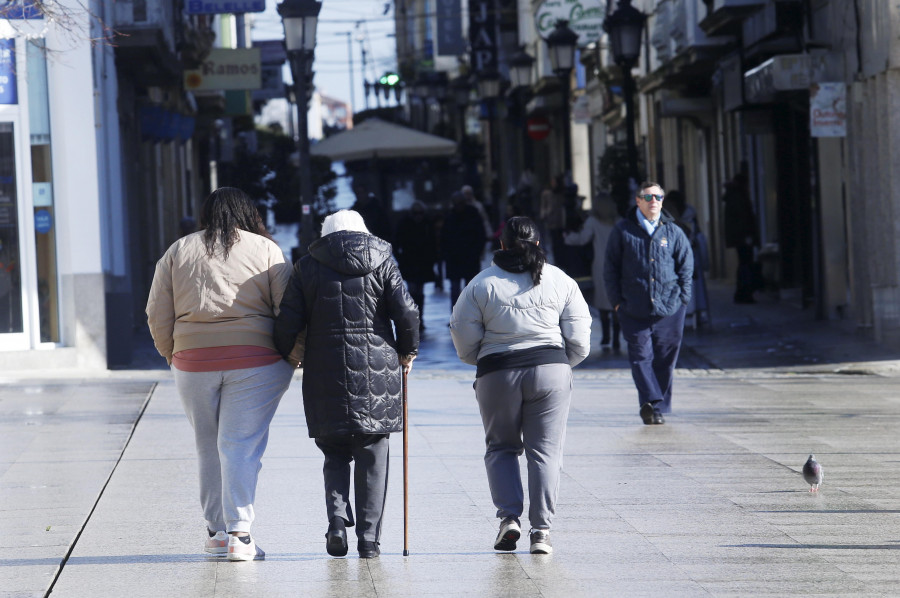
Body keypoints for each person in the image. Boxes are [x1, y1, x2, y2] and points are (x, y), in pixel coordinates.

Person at [145, 187, 296, 561]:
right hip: (257, 360)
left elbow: (156, 312)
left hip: (192, 361)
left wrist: (173, 353)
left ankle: (215, 532)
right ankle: (240, 536)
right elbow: (289, 309)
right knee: (240, 445)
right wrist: (294, 357)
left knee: (207, 445)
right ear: (248, 213)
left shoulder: (178, 251)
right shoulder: (265, 250)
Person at [273, 210, 419, 560]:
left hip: (325, 371)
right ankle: (369, 541)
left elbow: (286, 322)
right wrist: (407, 350)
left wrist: (287, 353)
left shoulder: (306, 266)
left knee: (334, 450)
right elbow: (407, 312)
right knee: (373, 452)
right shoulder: (383, 261)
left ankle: (337, 521)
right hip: (377, 371)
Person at [450, 216, 591, 555]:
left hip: (498, 372)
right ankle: (541, 532)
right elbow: (580, 336)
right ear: (539, 244)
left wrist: (483, 361)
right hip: (551, 370)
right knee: (545, 452)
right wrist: (559, 362)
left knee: (501, 448)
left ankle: (509, 519)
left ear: (500, 245)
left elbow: (462, 334)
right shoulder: (560, 280)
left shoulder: (481, 284)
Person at [603, 181, 693, 426]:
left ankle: (657, 407)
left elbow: (686, 265)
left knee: (665, 359)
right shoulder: (623, 231)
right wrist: (617, 302)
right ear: (638, 201)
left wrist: (684, 298)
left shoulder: (673, 231)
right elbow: (610, 267)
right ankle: (651, 401)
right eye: (648, 197)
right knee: (640, 357)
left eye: (658, 197)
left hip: (670, 309)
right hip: (633, 308)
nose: (654, 201)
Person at [563, 193, 621, 349]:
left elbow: (583, 239)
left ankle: (606, 336)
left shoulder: (593, 222)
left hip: (600, 264)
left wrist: (568, 238)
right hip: (618, 264)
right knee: (615, 300)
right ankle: (616, 336)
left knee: (602, 301)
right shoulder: (618, 222)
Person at [442, 190, 487, 312]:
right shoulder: (450, 217)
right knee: (456, 289)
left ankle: (468, 314)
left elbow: (480, 235)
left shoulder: (472, 215)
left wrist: (476, 251)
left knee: (470, 289)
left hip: (469, 257)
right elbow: (444, 238)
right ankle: (458, 314)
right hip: (455, 258)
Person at [395, 201, 437, 330]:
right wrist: (401, 258)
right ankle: (415, 318)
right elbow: (396, 242)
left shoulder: (427, 224)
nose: (418, 216)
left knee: (419, 291)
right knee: (413, 291)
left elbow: (433, 242)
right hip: (410, 261)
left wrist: (432, 258)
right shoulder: (405, 224)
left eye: (420, 213)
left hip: (422, 262)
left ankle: (419, 318)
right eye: (416, 213)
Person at [722, 173, 758, 304]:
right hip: (743, 237)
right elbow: (743, 219)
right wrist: (748, 235)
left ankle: (742, 292)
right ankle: (744, 293)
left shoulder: (733, 196)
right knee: (746, 264)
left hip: (739, 237)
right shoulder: (738, 197)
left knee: (744, 264)